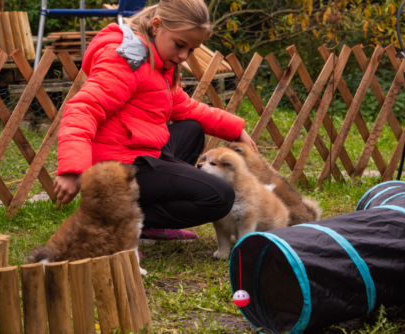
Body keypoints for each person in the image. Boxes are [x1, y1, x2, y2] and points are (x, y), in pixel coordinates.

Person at [53, 0, 257, 244]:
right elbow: (83, 109)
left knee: (192, 129)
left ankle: (147, 227)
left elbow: (185, 106)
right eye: (180, 45)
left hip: (138, 154)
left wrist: (236, 130)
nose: (183, 56)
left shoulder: (158, 63)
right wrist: (72, 170)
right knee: (219, 196)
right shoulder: (127, 60)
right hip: (114, 171)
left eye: (191, 50)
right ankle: (117, 219)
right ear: (157, 26)